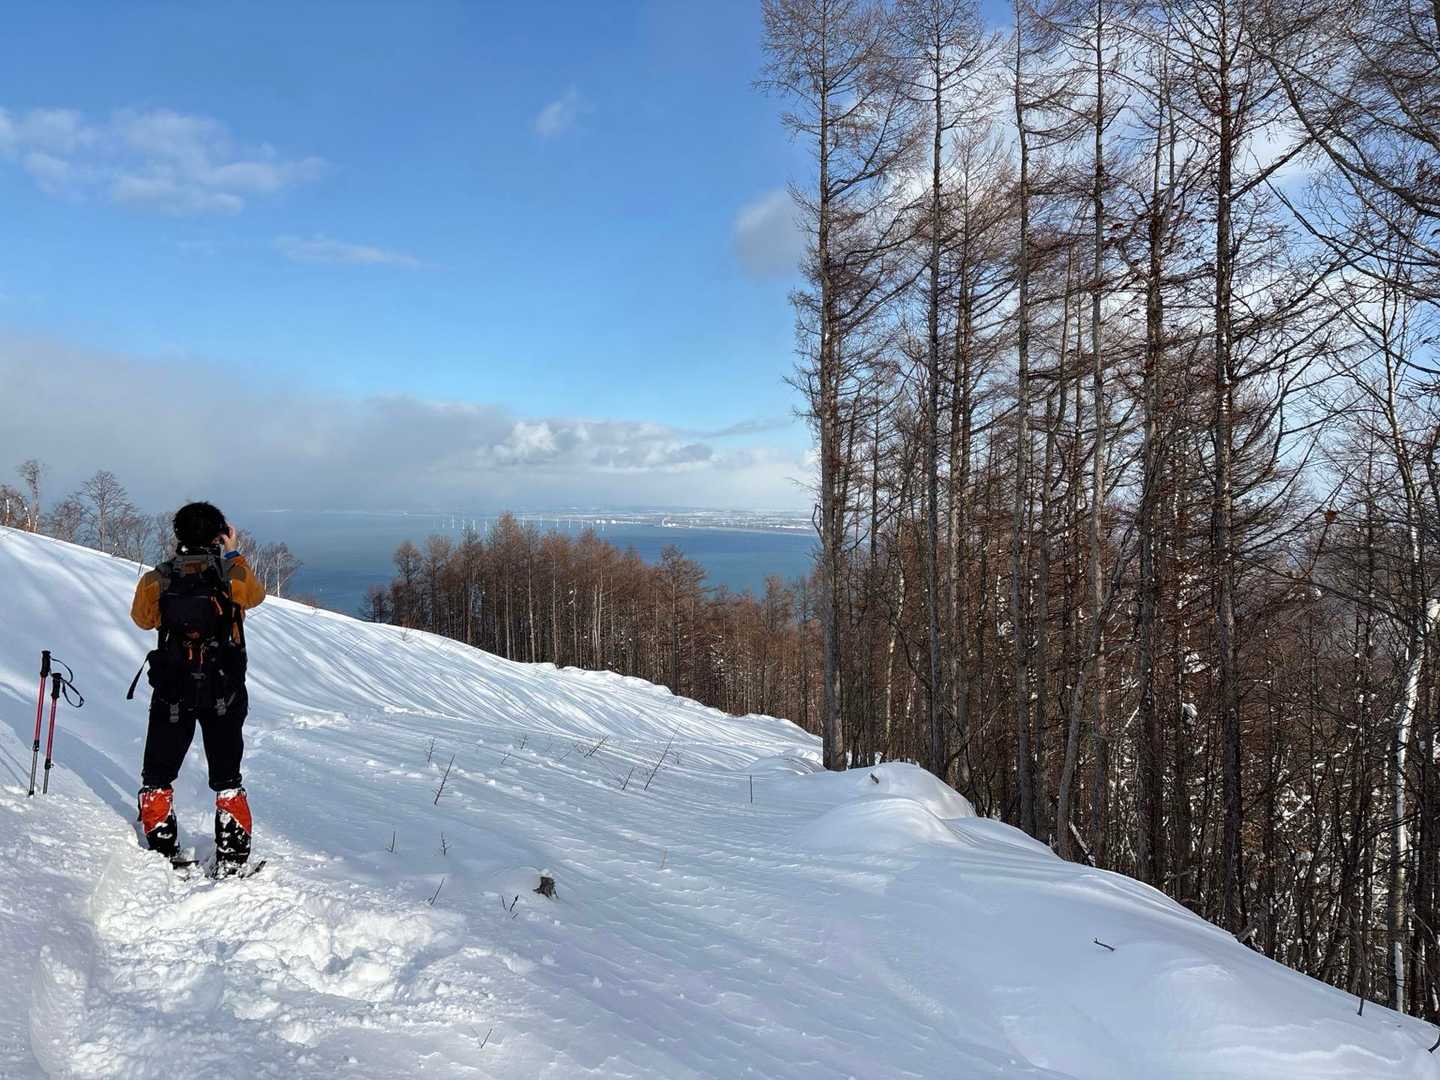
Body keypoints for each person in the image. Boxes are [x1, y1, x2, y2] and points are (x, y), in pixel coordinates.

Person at [129, 501, 265, 872]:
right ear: (219, 534)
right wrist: (232, 552)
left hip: (173, 685)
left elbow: (142, 620)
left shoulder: (158, 579)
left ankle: (161, 849)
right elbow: (255, 596)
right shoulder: (231, 575)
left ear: (178, 534)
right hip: (223, 688)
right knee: (227, 774)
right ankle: (232, 857)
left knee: (158, 771)